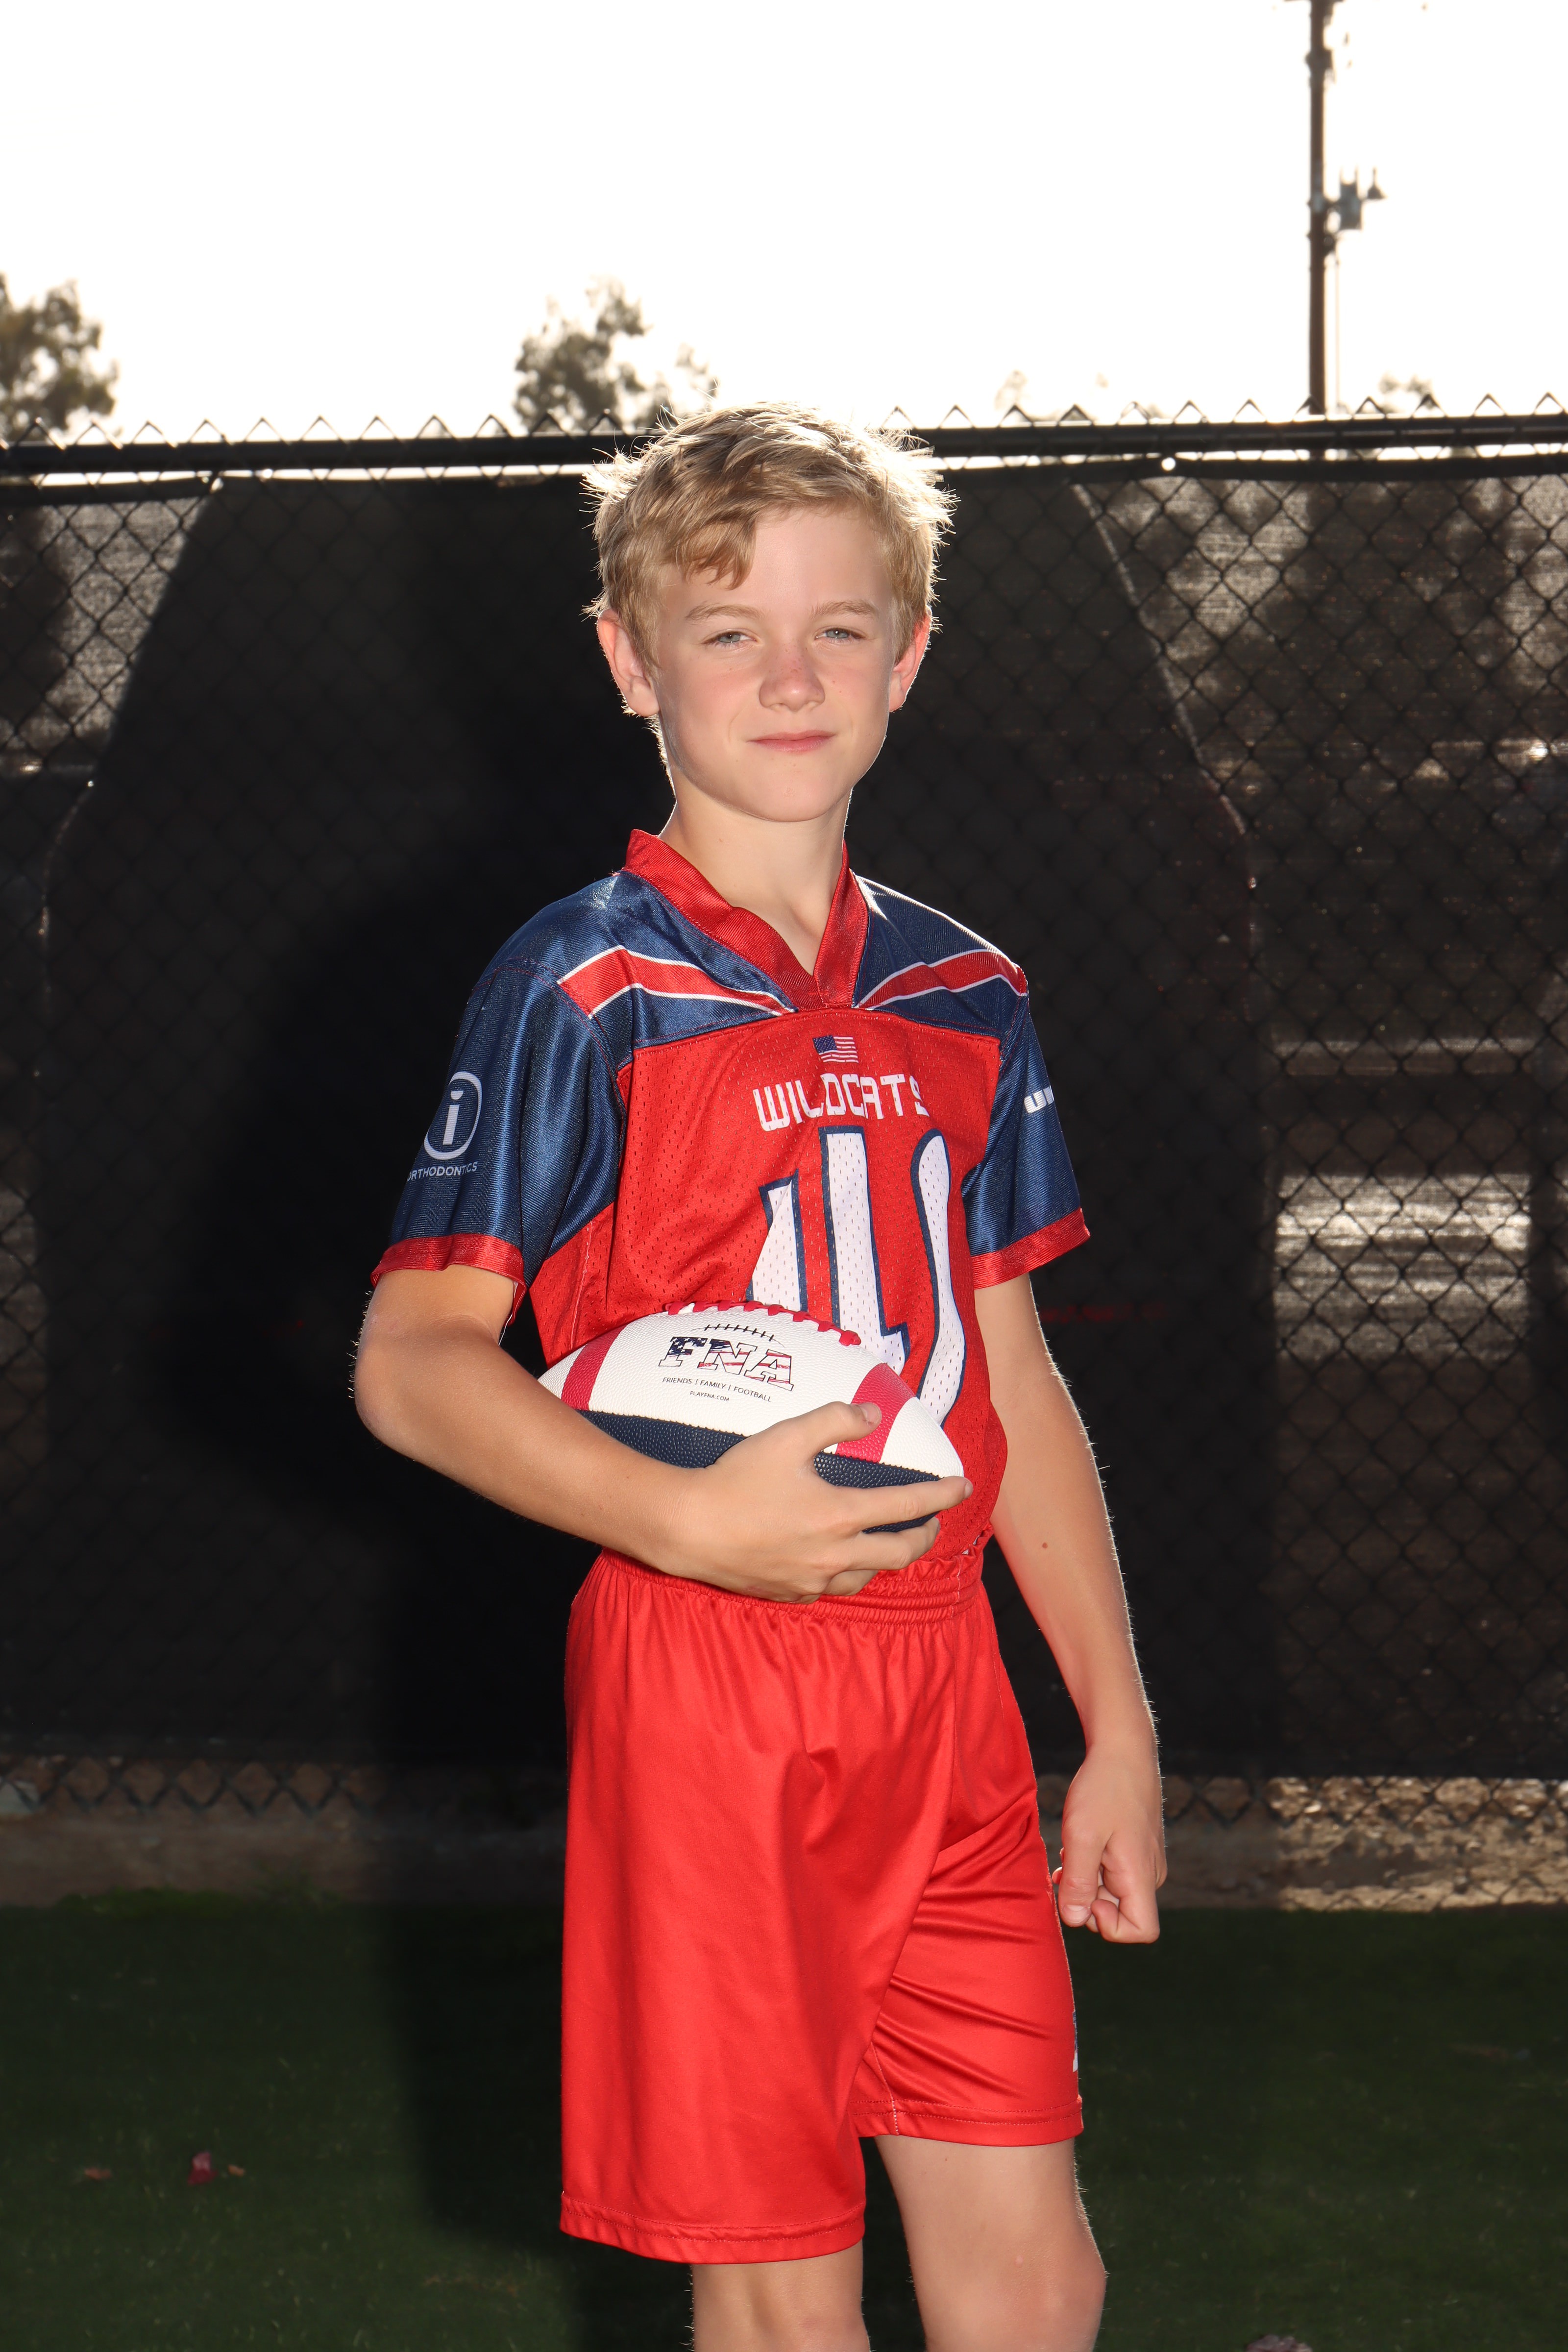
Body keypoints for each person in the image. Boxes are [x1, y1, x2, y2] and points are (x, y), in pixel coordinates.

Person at [354, 404, 1165, 2352]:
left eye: (836, 628)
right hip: (712, 1680)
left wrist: (1116, 1722)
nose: (788, 677)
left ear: (909, 657)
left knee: (1038, 2277)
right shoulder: (583, 983)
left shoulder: (967, 989)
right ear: (632, 661)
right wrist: (684, 1518)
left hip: (947, 1684)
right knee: (783, 2296)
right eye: (727, 632)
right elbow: (413, 1361)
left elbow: (1009, 1373)